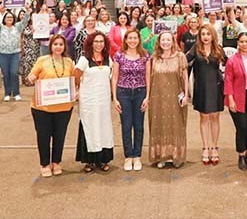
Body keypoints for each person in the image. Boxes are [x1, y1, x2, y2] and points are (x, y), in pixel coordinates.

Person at [26, 35, 77, 178]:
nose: (58, 47)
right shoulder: (42, 60)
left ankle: (56, 162)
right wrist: (31, 78)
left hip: (64, 107)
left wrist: (76, 92)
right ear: (51, 46)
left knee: (59, 136)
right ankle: (44, 164)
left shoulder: (69, 62)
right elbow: (31, 76)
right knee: (43, 136)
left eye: (61, 44)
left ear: (64, 46)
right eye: (55, 44)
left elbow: (74, 81)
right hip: (42, 108)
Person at [147, 31, 189, 168]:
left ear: (173, 41)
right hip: (157, 98)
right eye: (163, 40)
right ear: (159, 42)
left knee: (176, 125)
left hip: (175, 98)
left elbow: (185, 77)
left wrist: (186, 95)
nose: (165, 42)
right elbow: (149, 79)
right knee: (159, 124)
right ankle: (161, 156)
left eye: (168, 39)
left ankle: (175, 155)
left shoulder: (180, 57)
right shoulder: (154, 58)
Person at [75, 32, 115, 172]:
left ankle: (103, 159)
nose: (99, 44)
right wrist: (77, 92)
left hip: (103, 100)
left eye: (101, 41)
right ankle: (89, 161)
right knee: (89, 127)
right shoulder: (84, 59)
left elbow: (111, 78)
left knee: (103, 127)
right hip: (88, 101)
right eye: (96, 41)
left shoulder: (107, 59)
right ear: (91, 43)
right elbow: (76, 77)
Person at [111, 28, 150, 171]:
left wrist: (147, 96)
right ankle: (128, 156)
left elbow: (148, 77)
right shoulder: (119, 55)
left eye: (135, 38)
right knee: (126, 126)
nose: (133, 41)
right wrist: (115, 98)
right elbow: (114, 77)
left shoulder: (145, 55)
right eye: (130, 38)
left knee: (139, 126)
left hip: (140, 92)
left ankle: (137, 155)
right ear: (126, 40)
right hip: (123, 93)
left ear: (139, 39)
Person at [188, 23, 226, 165]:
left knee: (215, 118)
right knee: (204, 118)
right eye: (203, 34)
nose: (205, 37)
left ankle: (214, 147)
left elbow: (229, 63)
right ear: (199, 36)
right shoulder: (195, 49)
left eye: (208, 34)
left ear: (212, 35)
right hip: (201, 88)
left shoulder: (218, 49)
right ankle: (205, 148)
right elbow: (183, 61)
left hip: (216, 88)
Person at [224, 32, 247, 171]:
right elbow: (227, 80)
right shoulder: (232, 60)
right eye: (242, 42)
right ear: (238, 43)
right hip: (238, 96)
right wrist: (230, 99)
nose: (244, 44)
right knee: (242, 127)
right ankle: (241, 155)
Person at [0, 10, 29, 101]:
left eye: (11, 17)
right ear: (4, 19)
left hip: (15, 54)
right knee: (6, 74)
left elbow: (25, 21)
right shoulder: (0, 28)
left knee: (14, 73)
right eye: (7, 17)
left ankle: (16, 93)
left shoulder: (17, 27)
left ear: (14, 19)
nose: (9, 19)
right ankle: (7, 93)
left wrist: (28, 11)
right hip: (2, 54)